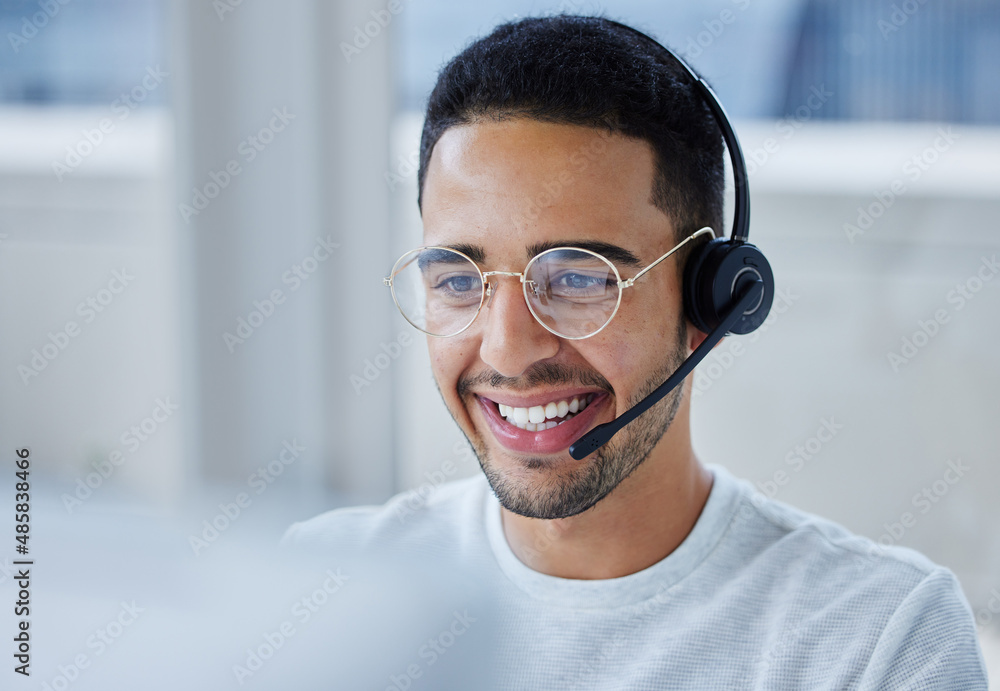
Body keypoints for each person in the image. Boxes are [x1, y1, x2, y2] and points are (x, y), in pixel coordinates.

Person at [284, 15, 988, 689]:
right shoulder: (323, 587)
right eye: (461, 280)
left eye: (580, 278)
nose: (508, 347)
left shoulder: (879, 641)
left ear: (712, 300)